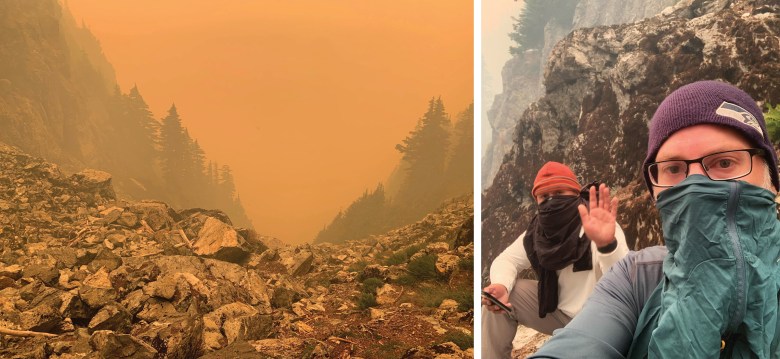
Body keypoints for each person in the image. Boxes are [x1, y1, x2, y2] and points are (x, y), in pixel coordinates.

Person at [531, 80, 780, 358]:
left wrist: (607, 244)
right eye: (673, 168)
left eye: (724, 162)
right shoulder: (636, 277)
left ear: (771, 180)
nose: (695, 184)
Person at [482, 161, 629, 358]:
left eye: (559, 193)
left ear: (575, 194)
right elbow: (506, 260)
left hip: (602, 319)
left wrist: (606, 244)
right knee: (499, 300)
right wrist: (501, 286)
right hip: (561, 315)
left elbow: (624, 278)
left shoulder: (597, 224)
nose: (552, 201)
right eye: (544, 196)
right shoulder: (537, 233)